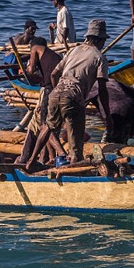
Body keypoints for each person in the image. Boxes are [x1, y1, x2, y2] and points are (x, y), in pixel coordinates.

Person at [27, 19, 113, 168]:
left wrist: (58, 91)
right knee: (76, 144)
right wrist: (107, 116)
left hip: (56, 93)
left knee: (48, 126)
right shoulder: (99, 58)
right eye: (103, 41)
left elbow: (54, 75)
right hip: (74, 97)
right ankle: (74, 169)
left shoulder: (74, 50)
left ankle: (31, 161)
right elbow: (102, 90)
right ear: (99, 40)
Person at [16, 36, 64, 164]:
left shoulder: (35, 48)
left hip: (48, 90)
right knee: (51, 126)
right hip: (60, 90)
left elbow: (31, 70)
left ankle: (62, 154)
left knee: (43, 126)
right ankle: (49, 158)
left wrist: (27, 70)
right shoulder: (55, 56)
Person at [86, 78, 134, 144]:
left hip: (117, 113)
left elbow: (80, 106)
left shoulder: (90, 86)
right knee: (128, 138)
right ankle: (130, 144)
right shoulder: (111, 81)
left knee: (110, 142)